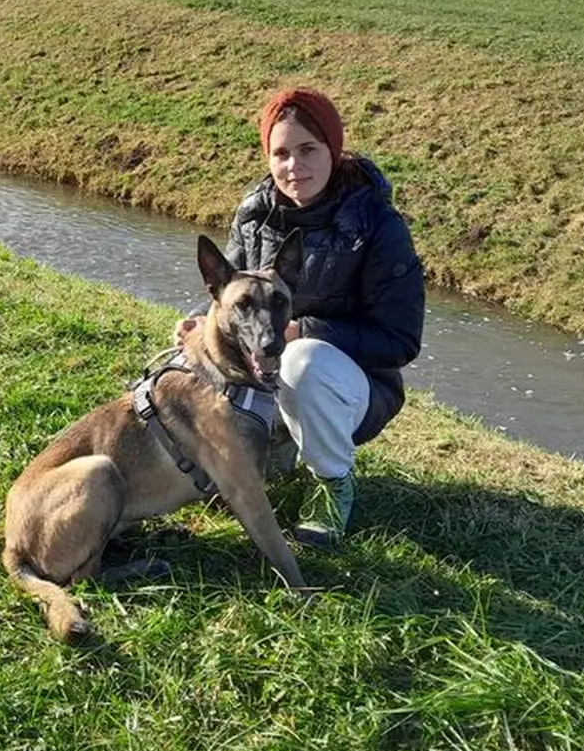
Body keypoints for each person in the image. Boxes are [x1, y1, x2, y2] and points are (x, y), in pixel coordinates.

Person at [177, 87, 425, 546]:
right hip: (267, 368)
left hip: (353, 389)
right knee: (185, 355)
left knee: (302, 362)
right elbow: (230, 291)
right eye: (282, 153)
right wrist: (196, 321)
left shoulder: (379, 226)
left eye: (309, 150)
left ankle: (332, 484)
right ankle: (241, 455)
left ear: (333, 148)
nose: (295, 167)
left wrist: (302, 331)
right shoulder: (256, 213)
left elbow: (401, 340)